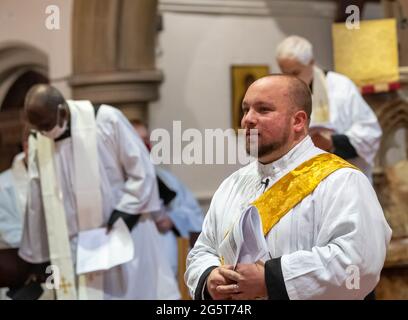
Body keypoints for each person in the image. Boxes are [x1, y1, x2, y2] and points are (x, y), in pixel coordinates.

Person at [185, 75, 391, 300]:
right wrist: (209, 278)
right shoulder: (232, 185)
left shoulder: (341, 180)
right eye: (245, 110)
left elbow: (358, 265)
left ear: (298, 121)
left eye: (263, 110)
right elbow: (202, 250)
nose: (248, 120)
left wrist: (270, 280)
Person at [19, 84, 179, 300]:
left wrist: (124, 211)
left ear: (62, 112)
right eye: (39, 129)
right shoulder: (40, 139)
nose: (45, 134)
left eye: (47, 125)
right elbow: (37, 199)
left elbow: (142, 170)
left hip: (123, 235)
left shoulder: (106, 120)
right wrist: (40, 253)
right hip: (76, 249)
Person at [275, 35, 382, 181]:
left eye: (295, 73)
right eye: (284, 72)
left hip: (342, 178)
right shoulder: (279, 93)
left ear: (311, 63)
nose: (289, 79)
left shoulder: (341, 86)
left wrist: (332, 142)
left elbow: (370, 133)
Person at [132, 120, 204, 277]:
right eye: (137, 140)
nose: (144, 146)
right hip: (134, 264)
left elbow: (197, 216)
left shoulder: (166, 180)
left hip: (168, 264)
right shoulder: (116, 184)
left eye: (146, 140)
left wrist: (172, 219)